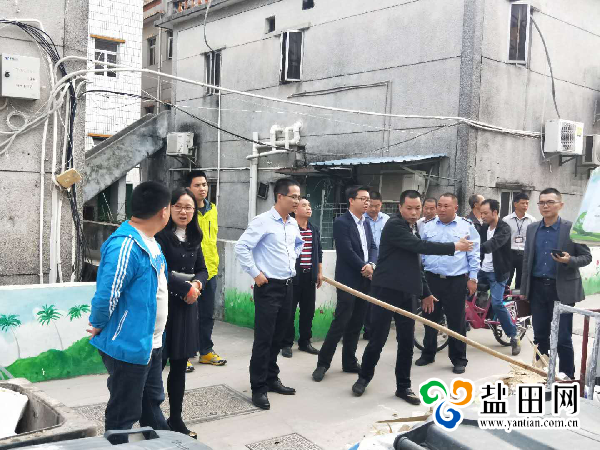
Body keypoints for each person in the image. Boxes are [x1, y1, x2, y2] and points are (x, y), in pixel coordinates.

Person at [351, 190, 473, 403]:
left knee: (407, 342)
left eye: (418, 208)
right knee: (377, 340)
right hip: (385, 291)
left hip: (407, 294)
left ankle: (404, 387)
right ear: (400, 207)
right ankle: (363, 378)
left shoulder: (413, 228)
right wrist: (455, 246)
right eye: (409, 208)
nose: (414, 213)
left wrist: (426, 293)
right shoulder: (394, 226)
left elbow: (416, 264)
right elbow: (421, 247)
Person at [87, 181, 171, 442]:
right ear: (164, 211)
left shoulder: (151, 242)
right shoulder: (125, 245)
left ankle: (163, 443)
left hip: (150, 343)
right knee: (123, 412)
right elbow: (107, 294)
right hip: (129, 344)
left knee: (151, 403)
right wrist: (98, 323)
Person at [235, 178, 304, 410]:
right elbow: (242, 247)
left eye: (299, 197)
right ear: (280, 197)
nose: (297, 201)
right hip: (268, 287)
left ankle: (271, 378)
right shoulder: (262, 221)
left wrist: (291, 260)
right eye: (293, 197)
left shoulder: (292, 223)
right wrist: (256, 273)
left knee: (280, 336)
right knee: (264, 339)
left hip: (288, 285)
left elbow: (298, 244)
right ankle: (258, 387)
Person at [521, 188, 592, 380]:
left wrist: (569, 260)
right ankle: (541, 373)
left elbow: (586, 257)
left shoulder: (571, 228)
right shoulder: (532, 228)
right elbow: (527, 260)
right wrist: (524, 289)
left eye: (550, 202)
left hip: (562, 290)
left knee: (562, 338)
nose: (545, 206)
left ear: (560, 205)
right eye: (542, 202)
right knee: (540, 336)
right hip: (537, 289)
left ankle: (567, 377)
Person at [156, 188, 208, 439]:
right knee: (156, 366)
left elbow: (203, 269)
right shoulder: (160, 237)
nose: (184, 212)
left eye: (189, 207)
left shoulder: (195, 236)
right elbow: (159, 271)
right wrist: (185, 288)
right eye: (178, 206)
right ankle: (152, 419)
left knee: (179, 366)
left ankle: (175, 418)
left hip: (187, 307)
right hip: (164, 307)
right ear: (169, 208)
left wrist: (197, 284)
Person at [312, 186, 377, 382]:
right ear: (351, 200)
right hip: (348, 280)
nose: (367, 202)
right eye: (363, 199)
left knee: (357, 322)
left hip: (365, 280)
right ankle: (323, 364)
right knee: (341, 322)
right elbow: (346, 250)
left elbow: (373, 247)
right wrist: (364, 267)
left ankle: (349, 361)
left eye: (368, 199)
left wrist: (371, 265)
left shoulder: (366, 223)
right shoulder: (341, 222)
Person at [415, 193, 481, 374]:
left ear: (456, 208)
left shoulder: (466, 226)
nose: (442, 209)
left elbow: (474, 254)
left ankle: (459, 359)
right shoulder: (427, 226)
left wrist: (473, 278)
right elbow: (421, 251)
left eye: (446, 206)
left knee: (456, 321)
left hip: (455, 281)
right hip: (431, 279)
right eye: (440, 206)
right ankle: (428, 353)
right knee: (429, 317)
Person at [186, 170, 226, 368]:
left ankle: (206, 351)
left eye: (204, 185)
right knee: (186, 315)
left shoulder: (213, 209)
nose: (202, 189)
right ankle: (184, 354)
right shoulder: (185, 211)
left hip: (210, 270)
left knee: (207, 315)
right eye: (197, 185)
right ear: (188, 188)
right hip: (188, 271)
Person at [478, 199, 521, 355]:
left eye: (485, 213)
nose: (482, 216)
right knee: (465, 294)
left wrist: (474, 248)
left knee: (497, 303)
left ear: (495, 212)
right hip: (482, 270)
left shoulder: (504, 228)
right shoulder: (483, 228)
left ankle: (513, 335)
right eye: (481, 213)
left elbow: (493, 244)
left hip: (498, 272)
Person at [282, 198, 323, 357]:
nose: (308, 208)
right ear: (295, 210)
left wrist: (319, 272)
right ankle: (286, 343)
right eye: (304, 205)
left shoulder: (314, 230)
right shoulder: (290, 229)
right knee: (289, 311)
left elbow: (318, 252)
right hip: (293, 277)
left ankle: (305, 342)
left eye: (309, 205)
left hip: (309, 277)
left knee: (308, 311)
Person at [362, 190, 390, 340]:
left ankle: (378, 329)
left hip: (383, 265)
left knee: (381, 299)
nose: (374, 209)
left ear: (381, 205)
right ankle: (368, 330)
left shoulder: (386, 220)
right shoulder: (362, 219)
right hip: (365, 266)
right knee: (367, 299)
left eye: (377, 206)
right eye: (371, 205)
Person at [503, 192, 536, 291]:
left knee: (521, 281)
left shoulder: (532, 220)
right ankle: (503, 297)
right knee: (506, 279)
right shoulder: (506, 220)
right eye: (522, 203)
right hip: (509, 253)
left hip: (524, 254)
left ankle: (517, 299)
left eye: (527, 203)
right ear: (515, 204)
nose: (525, 205)